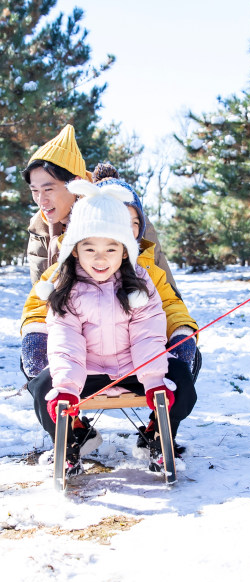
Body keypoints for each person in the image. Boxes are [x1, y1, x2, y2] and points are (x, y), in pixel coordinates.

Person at [27, 180, 197, 479]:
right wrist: (65, 387)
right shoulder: (65, 288)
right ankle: (71, 437)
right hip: (87, 371)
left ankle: (159, 435)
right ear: (75, 251)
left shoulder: (140, 284)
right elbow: (65, 341)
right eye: (89, 247)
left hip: (134, 368)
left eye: (111, 247)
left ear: (125, 250)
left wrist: (155, 380)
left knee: (180, 380)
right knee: (44, 388)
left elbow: (148, 334)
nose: (100, 257)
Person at [23, 124, 177, 288]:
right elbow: (39, 297)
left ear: (75, 183)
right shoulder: (41, 228)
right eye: (35, 191)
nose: (41, 200)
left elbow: (165, 290)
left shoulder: (124, 214)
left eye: (48, 189)